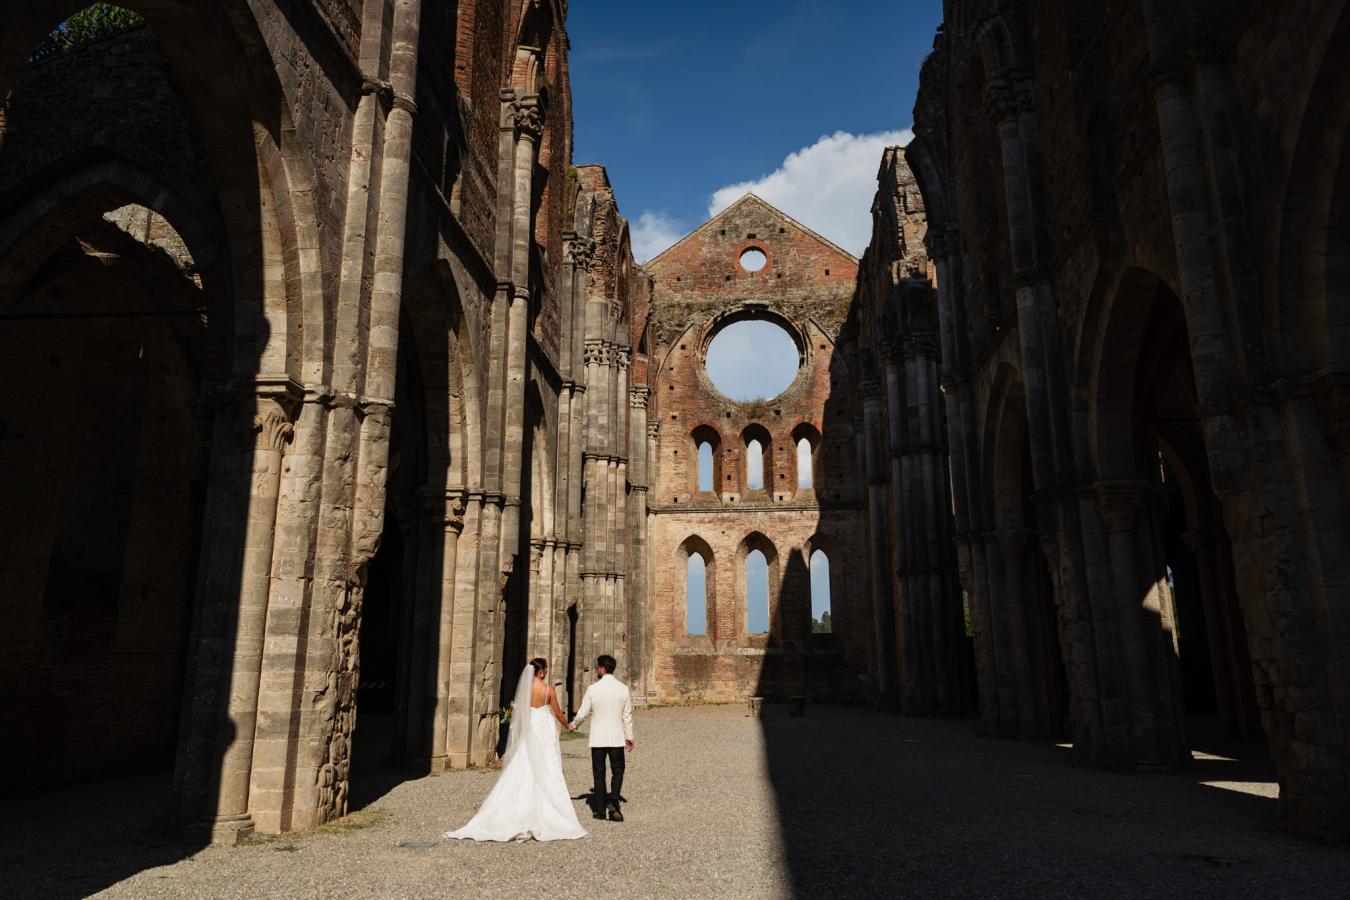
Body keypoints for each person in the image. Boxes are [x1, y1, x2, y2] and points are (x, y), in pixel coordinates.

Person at [443, 658, 586, 842]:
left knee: (524, 761)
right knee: (547, 764)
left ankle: (514, 807)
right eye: (546, 669)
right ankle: (547, 808)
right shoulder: (548, 690)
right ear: (541, 672)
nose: (547, 671)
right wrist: (568, 726)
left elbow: (520, 712)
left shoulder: (526, 690)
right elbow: (557, 713)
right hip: (544, 728)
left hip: (531, 727)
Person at [568, 654, 635, 822]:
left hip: (598, 738)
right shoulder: (623, 689)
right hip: (616, 738)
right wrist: (629, 737)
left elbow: (583, 712)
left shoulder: (593, 689)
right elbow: (627, 716)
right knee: (618, 770)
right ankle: (613, 802)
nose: (596, 669)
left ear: (602, 668)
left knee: (599, 774)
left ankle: (599, 810)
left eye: (597, 666)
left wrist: (573, 725)